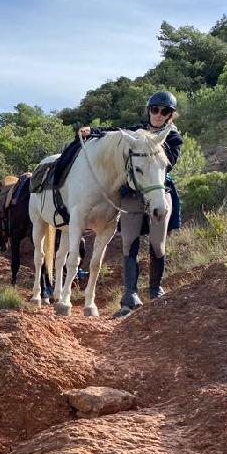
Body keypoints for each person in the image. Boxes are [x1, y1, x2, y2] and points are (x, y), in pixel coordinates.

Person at [78, 90, 183, 317]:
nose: (158, 114)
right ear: (149, 110)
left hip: (158, 191)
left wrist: (148, 143)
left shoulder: (173, 137)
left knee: (157, 243)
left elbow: (168, 164)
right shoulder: (138, 131)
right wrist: (93, 131)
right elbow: (114, 133)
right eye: (154, 109)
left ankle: (155, 290)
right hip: (133, 194)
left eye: (164, 111)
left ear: (169, 115)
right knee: (129, 243)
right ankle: (129, 297)